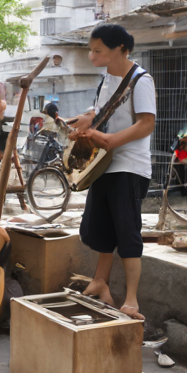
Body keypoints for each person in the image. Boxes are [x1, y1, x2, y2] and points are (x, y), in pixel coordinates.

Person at [69, 24, 156, 320]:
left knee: (127, 232)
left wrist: (109, 140)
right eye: (91, 50)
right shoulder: (106, 78)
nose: (92, 56)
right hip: (103, 163)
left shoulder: (141, 80)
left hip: (129, 166)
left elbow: (146, 123)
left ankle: (131, 299)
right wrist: (86, 119)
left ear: (120, 48)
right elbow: (100, 110)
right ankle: (99, 282)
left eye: (98, 50)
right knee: (100, 228)